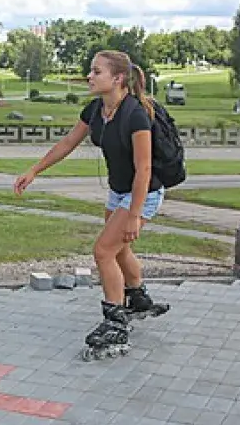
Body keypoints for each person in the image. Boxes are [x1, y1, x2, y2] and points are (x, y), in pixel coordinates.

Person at [14, 49, 168, 355]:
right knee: (118, 248)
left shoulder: (136, 114)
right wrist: (34, 170)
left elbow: (145, 169)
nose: (90, 76)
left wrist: (135, 214)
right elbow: (68, 142)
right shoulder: (97, 109)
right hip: (118, 192)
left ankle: (116, 323)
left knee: (103, 250)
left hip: (144, 193)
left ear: (118, 78)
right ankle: (138, 297)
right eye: (91, 70)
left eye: (97, 71)